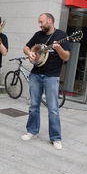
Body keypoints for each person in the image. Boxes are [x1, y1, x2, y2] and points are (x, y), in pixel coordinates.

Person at [21, 13, 70, 150]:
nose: (40, 25)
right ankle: (32, 131)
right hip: (36, 74)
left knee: (53, 108)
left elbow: (66, 57)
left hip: (51, 76)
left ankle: (55, 138)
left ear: (50, 21)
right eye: (39, 22)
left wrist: (59, 48)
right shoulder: (38, 35)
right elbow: (26, 47)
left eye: (42, 22)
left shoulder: (62, 35)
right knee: (33, 105)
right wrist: (29, 53)